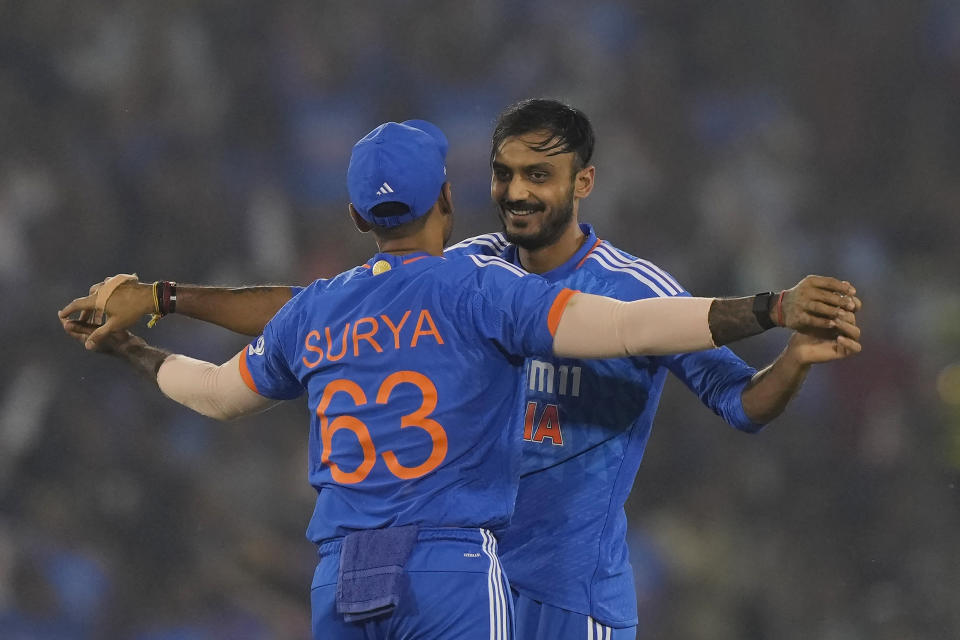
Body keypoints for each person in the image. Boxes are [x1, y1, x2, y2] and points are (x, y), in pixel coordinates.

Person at [61, 107, 862, 639]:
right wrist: (167, 297)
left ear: (583, 183)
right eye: (503, 173)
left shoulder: (623, 282)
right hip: (463, 575)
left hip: (562, 590)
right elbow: (310, 307)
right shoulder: (472, 274)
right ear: (458, 189)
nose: (516, 192)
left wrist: (785, 346)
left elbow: (738, 403)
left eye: (537, 176)